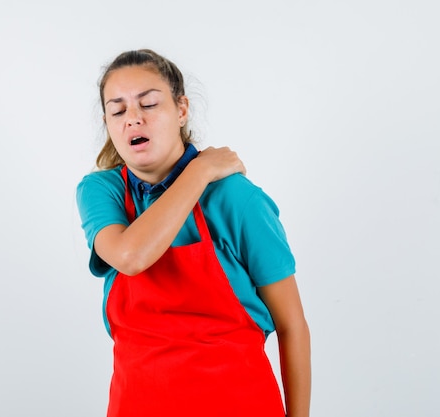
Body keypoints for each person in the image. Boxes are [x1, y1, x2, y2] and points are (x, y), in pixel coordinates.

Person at [76, 48, 311, 417]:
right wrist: (199, 171)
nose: (132, 119)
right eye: (118, 110)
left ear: (181, 110)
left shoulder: (237, 199)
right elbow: (131, 256)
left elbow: (292, 325)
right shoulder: (102, 192)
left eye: (149, 104)